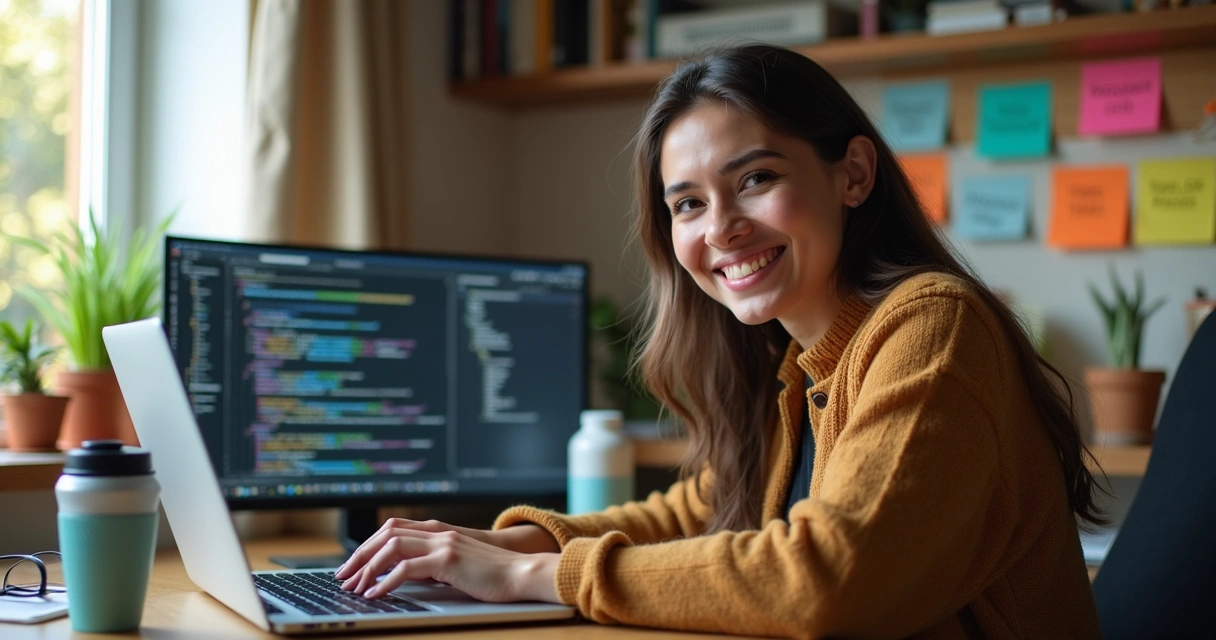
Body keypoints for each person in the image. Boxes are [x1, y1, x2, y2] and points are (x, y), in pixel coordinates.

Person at [334, 44, 1104, 638]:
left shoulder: (933, 326)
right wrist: (504, 542)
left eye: (757, 178)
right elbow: (693, 513)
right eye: (689, 203)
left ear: (854, 175)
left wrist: (542, 576)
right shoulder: (796, 369)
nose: (721, 229)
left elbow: (829, 575)